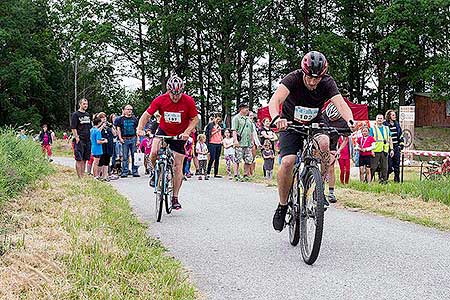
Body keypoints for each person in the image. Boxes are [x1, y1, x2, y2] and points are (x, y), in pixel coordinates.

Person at [268, 50, 355, 232]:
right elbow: (275, 99)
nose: (313, 82)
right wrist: (277, 118)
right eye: (309, 77)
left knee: (324, 142)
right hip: (290, 124)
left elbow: (340, 104)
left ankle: (318, 187)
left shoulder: (327, 82)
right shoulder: (292, 78)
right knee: (288, 162)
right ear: (303, 72)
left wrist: (350, 121)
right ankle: (283, 205)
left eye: (317, 78)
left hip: (315, 122)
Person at [137, 75, 199, 210]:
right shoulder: (160, 99)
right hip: (164, 130)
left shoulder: (188, 101)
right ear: (168, 91)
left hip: (179, 134)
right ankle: (155, 173)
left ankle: (175, 197)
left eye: (178, 94)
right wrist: (140, 128)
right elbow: (146, 115)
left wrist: (187, 132)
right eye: (173, 94)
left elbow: (195, 119)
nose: (176, 97)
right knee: (153, 152)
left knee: (178, 166)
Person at [323, 102, 351, 203]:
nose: (331, 121)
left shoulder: (343, 121)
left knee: (330, 167)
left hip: (332, 145)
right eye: (329, 119)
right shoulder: (323, 115)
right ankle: (318, 190)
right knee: (321, 166)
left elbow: (346, 139)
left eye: (333, 120)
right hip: (319, 142)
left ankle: (330, 192)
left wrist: (339, 150)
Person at [232, 103, 254, 181]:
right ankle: (236, 175)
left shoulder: (248, 119)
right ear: (241, 109)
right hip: (239, 142)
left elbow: (251, 131)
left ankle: (245, 174)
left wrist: (252, 141)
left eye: (247, 108)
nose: (247, 110)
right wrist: (235, 140)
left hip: (247, 143)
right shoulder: (236, 118)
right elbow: (234, 130)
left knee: (248, 159)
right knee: (237, 159)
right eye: (245, 108)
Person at [117, 104, 140, 178]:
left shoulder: (135, 119)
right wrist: (120, 138)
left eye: (131, 109)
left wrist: (138, 139)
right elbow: (118, 129)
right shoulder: (120, 119)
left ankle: (135, 171)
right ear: (124, 110)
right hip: (125, 139)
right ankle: (125, 171)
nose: (130, 111)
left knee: (134, 156)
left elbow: (137, 130)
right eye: (128, 109)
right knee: (125, 156)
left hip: (133, 138)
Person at [71, 98, 92, 178]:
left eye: (86, 104)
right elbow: (73, 127)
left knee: (85, 159)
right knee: (79, 159)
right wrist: (77, 137)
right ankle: (79, 177)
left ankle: (83, 176)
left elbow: (90, 127)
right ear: (80, 104)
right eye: (84, 104)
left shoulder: (87, 115)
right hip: (80, 139)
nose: (85, 105)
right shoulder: (75, 114)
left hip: (87, 139)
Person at [370, 114, 394, 184]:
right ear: (376, 119)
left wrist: (391, 149)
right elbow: (370, 140)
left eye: (381, 118)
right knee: (373, 167)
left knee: (385, 167)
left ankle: (384, 181)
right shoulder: (372, 128)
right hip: (376, 150)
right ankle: (368, 180)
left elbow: (390, 139)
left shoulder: (386, 128)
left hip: (385, 150)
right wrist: (371, 150)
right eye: (378, 118)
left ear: (383, 120)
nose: (380, 120)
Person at [384, 110, 404, 182]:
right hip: (388, 147)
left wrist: (401, 145)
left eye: (395, 115)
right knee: (389, 165)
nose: (395, 116)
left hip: (396, 147)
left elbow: (400, 135)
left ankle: (397, 180)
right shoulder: (385, 124)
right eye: (393, 115)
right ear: (389, 116)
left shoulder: (397, 124)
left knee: (397, 164)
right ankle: (385, 178)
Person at [206, 113, 223, 178]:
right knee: (212, 157)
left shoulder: (220, 125)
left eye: (219, 119)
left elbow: (221, 133)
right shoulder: (210, 125)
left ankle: (216, 173)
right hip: (212, 143)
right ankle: (208, 172)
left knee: (217, 158)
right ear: (214, 118)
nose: (218, 120)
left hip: (219, 143)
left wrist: (221, 139)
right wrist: (216, 131)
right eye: (217, 119)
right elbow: (208, 134)